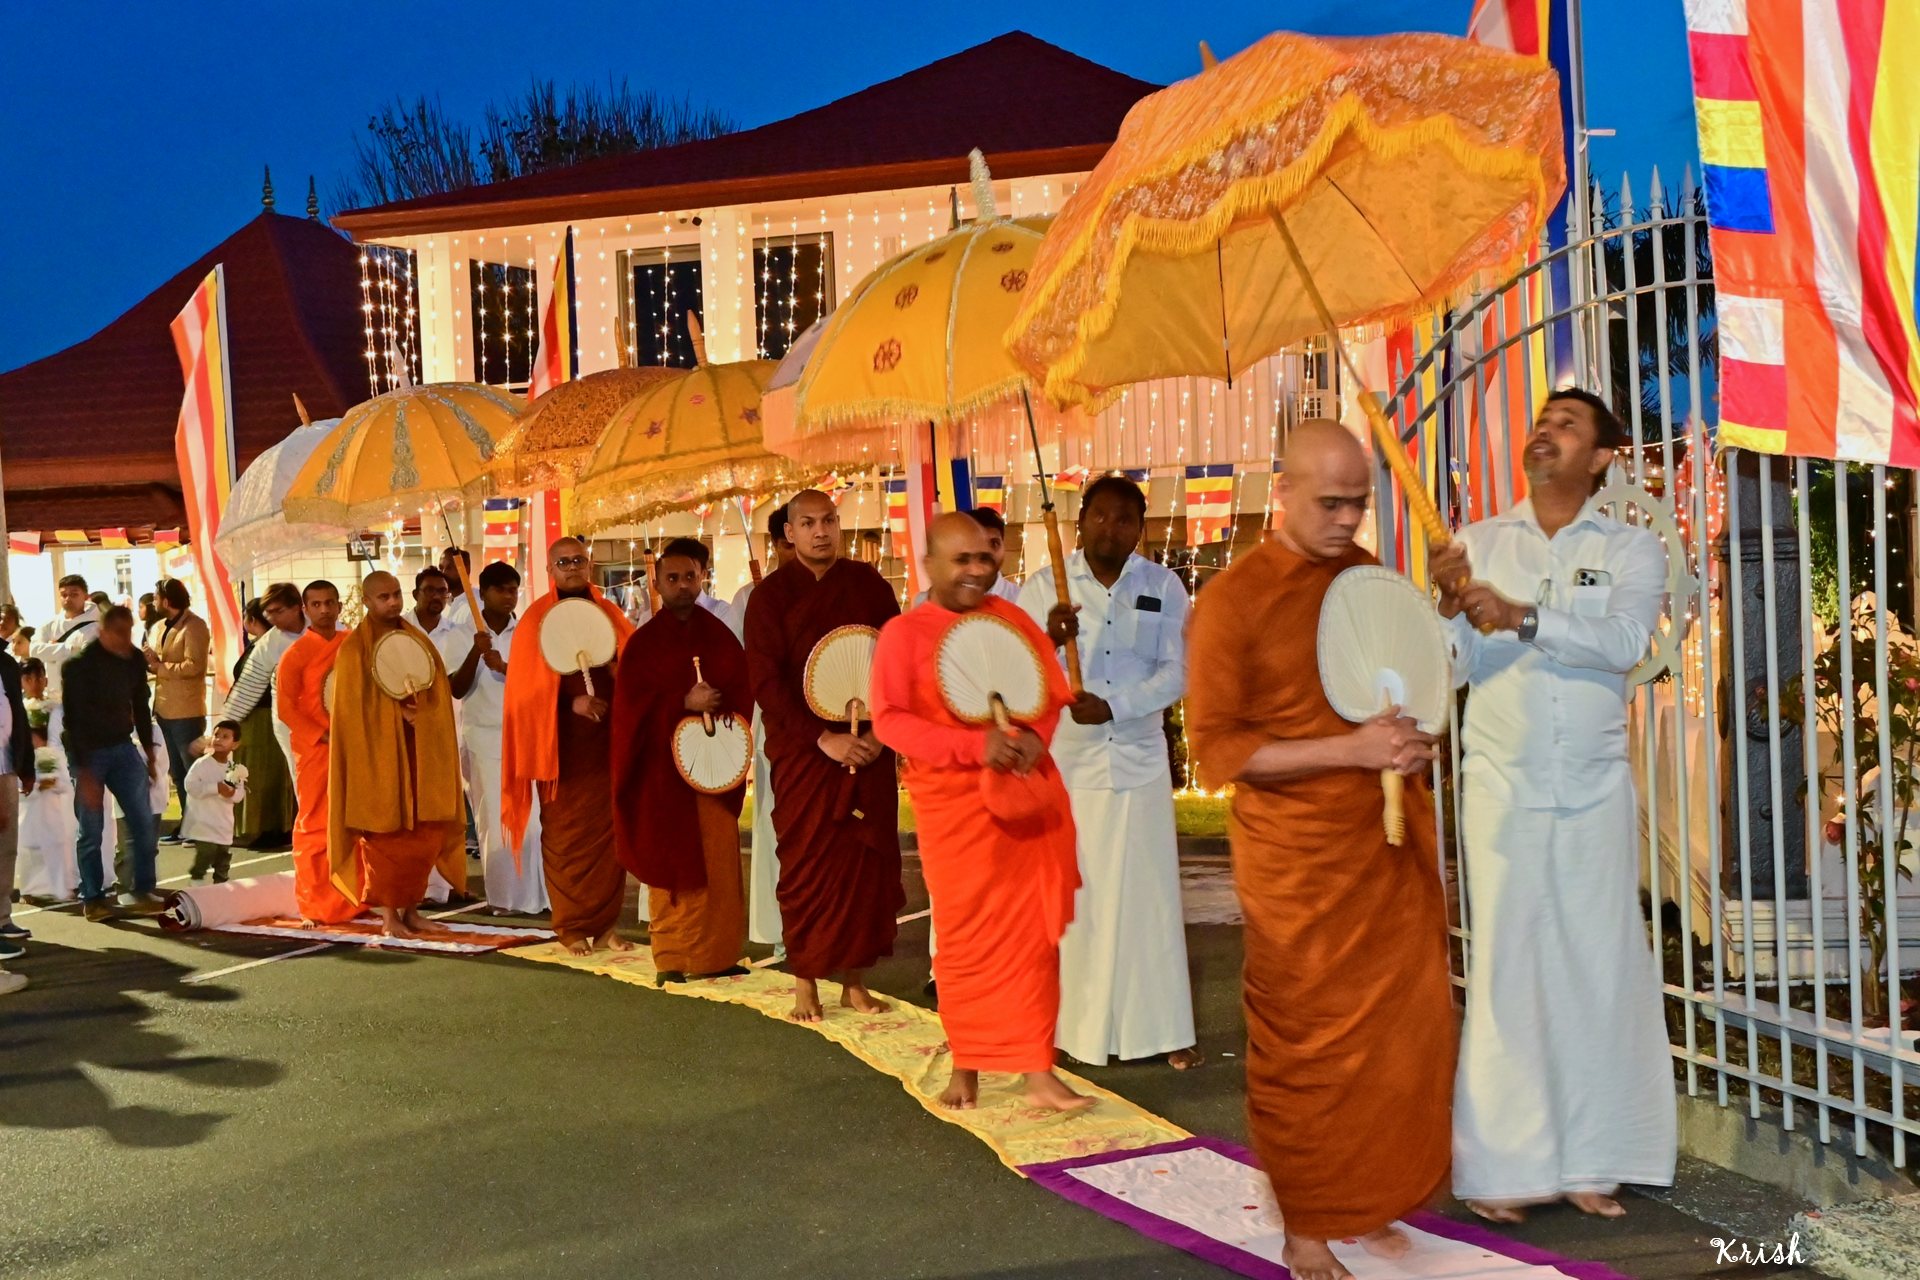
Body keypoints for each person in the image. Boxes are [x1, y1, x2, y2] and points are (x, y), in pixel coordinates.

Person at [1185, 420, 1453, 1280]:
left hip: (1385, 852)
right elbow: (1221, 750)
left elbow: (1411, 705)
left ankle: (1366, 1198)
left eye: (1357, 504)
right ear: (1284, 491)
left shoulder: (1369, 586)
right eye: (1329, 503)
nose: (1345, 520)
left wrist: (1411, 746)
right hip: (1298, 864)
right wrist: (1352, 751)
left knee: (1399, 1038)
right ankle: (1307, 1223)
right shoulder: (1232, 601)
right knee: (1307, 1045)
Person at [1431, 389, 1677, 1221]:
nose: (1546, 432)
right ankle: (1503, 1169)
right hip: (1503, 785)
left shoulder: (1630, 548)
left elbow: (1623, 643)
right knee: (1509, 968)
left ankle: (1591, 1159)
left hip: (1595, 787)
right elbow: (1447, 670)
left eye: (1567, 426)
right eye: (1541, 421)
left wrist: (1524, 616)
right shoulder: (1477, 544)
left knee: (1597, 967)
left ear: (1602, 458)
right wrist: (1449, 609)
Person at [871, 513, 1091, 1112]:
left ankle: (1037, 1070)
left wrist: (1036, 739)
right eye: (961, 560)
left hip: (1022, 801)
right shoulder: (903, 634)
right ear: (929, 565)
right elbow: (889, 721)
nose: (975, 570)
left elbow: (1048, 699)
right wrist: (975, 747)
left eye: (985, 558)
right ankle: (966, 1063)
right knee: (965, 939)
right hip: (955, 810)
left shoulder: (1012, 621)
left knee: (1032, 942)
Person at [1019, 475, 1200, 1070]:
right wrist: (1049, 640)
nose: (1111, 528)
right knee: (1080, 899)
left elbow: (1179, 671)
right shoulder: (1045, 587)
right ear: (1080, 522)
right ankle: (1076, 1029)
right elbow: (1017, 672)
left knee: (1151, 899)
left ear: (1139, 530)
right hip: (1072, 764)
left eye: (1125, 520)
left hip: (1139, 759)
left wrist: (1116, 706)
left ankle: (1162, 1029)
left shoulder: (1162, 585)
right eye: (1100, 516)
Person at [743, 488, 903, 1022]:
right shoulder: (770, 597)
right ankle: (806, 980)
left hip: (869, 744)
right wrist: (822, 738)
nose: (820, 532)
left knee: (864, 866)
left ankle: (854, 981)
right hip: (805, 751)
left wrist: (881, 733)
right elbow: (766, 683)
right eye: (808, 523)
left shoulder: (869, 585)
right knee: (806, 864)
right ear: (789, 533)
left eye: (829, 521)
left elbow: (895, 662)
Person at [612, 538, 753, 980]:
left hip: (711, 771)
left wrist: (716, 707)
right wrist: (681, 702)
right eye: (672, 578)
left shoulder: (719, 636)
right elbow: (630, 711)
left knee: (717, 860)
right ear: (656, 583)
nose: (682, 586)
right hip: (662, 775)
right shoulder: (643, 644)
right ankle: (672, 957)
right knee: (671, 859)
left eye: (690, 577)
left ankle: (718, 956)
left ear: (702, 578)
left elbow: (742, 690)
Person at [502, 538, 636, 954]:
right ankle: (571, 926)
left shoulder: (611, 616)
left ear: (589, 565)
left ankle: (607, 926)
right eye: (564, 562)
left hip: (607, 745)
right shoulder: (534, 622)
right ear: (550, 570)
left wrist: (618, 670)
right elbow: (523, 694)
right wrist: (569, 702)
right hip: (562, 753)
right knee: (566, 839)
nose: (573, 567)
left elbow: (637, 673)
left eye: (579, 560)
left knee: (611, 837)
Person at [326, 571, 465, 939]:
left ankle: (412, 911)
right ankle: (389, 916)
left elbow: (437, 694)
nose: (392, 602)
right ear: (366, 601)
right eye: (383, 597)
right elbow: (352, 714)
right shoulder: (354, 650)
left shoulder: (417, 641)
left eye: (396, 595)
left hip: (419, 757)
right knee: (386, 837)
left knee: (423, 836)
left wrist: (424, 714)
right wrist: (394, 714)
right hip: (379, 764)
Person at [451, 561, 547, 916]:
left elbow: (540, 681)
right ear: (485, 593)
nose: (509, 596)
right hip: (484, 739)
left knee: (533, 820)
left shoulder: (527, 632)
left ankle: (537, 897)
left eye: (513, 590)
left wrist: (505, 667)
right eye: (501, 590)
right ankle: (504, 898)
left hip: (524, 735)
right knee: (495, 818)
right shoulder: (462, 633)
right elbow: (456, 688)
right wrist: (476, 652)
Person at [62, 606, 166, 921]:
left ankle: (142, 888)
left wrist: (148, 752)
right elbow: (73, 722)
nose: (125, 639)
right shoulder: (79, 666)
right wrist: (84, 772)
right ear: (103, 631)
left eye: (129, 631)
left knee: (143, 820)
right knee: (91, 829)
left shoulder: (133, 659)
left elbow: (141, 705)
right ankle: (93, 897)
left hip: (122, 746)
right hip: (89, 752)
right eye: (118, 632)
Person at [729, 503, 793, 959]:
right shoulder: (750, 596)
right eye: (791, 539)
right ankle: (779, 928)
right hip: (774, 721)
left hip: (831, 724)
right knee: (775, 821)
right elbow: (737, 663)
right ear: (778, 541)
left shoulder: (838, 588)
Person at [276, 582, 359, 926]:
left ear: (339, 606)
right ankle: (316, 903)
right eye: (316, 604)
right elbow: (286, 709)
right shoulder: (295, 654)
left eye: (329, 603)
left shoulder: (353, 644)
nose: (324, 610)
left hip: (353, 746)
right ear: (305, 610)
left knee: (355, 820)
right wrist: (322, 735)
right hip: (315, 750)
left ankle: (355, 898)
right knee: (314, 823)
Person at [407, 565, 475, 904]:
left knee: (451, 811)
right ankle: (420, 884)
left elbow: (460, 684)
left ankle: (450, 880)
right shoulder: (399, 632)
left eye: (442, 592)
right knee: (419, 810)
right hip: (411, 730)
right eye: (430, 590)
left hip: (454, 726)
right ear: (415, 594)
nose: (436, 597)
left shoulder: (459, 633)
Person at [143, 578, 211, 841]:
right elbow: (164, 662)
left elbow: (195, 666)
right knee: (177, 772)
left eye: (156, 597)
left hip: (187, 710)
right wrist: (152, 660)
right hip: (163, 708)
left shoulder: (195, 626)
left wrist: (160, 667)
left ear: (167, 600)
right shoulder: (161, 626)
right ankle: (187, 823)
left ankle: (202, 826)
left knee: (192, 771)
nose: (153, 603)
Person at [226, 597, 296, 847]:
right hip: (260, 716)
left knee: (263, 774)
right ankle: (267, 827)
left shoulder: (268, 646)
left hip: (262, 716)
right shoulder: (267, 644)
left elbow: (251, 686)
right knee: (263, 772)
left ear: (252, 619)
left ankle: (269, 828)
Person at [225, 582, 305, 790]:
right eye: (268, 613)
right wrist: (225, 724)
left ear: (297, 607)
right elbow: (247, 687)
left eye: (278, 611)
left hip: (329, 715)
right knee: (302, 778)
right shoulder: (268, 644)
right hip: (290, 722)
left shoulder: (329, 629)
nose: (272, 618)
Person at [17, 659, 79, 901]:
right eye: (28, 679)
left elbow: (58, 740)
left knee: (60, 831)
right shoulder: (18, 708)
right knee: (29, 836)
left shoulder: (56, 708)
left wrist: (50, 763)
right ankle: (31, 887)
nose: (34, 683)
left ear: (45, 679)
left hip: (55, 768)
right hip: (28, 771)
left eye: (38, 677)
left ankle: (62, 882)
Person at [0, 639, 36, 955]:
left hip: (6, 766)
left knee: (6, 848)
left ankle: (2, 918)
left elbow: (18, 713)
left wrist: (27, 765)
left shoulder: (6, 663)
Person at [911, 507, 1022, 607]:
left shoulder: (1020, 601)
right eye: (962, 559)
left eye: (994, 543)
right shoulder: (923, 603)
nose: (976, 569)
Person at [183, 720, 247, 882]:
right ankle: (196, 879)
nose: (218, 739)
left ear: (235, 744)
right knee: (206, 853)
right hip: (204, 823)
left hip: (224, 823)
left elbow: (239, 794)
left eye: (225, 737)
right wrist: (215, 788)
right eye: (216, 735)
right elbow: (190, 786)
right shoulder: (202, 764)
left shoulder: (234, 769)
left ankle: (221, 884)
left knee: (223, 857)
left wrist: (231, 793)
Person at [32, 574, 101, 699]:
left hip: (82, 696)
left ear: (86, 596)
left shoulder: (95, 628)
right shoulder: (49, 624)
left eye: (74, 594)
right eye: (64, 595)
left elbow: (86, 660)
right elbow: (34, 651)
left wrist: (50, 650)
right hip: (51, 695)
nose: (68, 599)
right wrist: (69, 649)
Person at [441, 547, 476, 628]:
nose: (443, 573)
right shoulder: (443, 604)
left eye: (449, 568)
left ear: (466, 569)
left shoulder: (477, 605)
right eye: (441, 568)